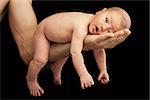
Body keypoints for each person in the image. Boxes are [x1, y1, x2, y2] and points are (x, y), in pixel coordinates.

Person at [1, 0, 131, 96]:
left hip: (58, 36)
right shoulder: (81, 26)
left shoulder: (93, 27)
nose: (104, 27)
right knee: (40, 59)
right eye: (106, 20)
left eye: (109, 30)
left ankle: (55, 68)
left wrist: (103, 69)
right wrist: (83, 74)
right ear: (100, 11)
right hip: (44, 32)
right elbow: (75, 52)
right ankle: (31, 79)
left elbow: (99, 48)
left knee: (70, 46)